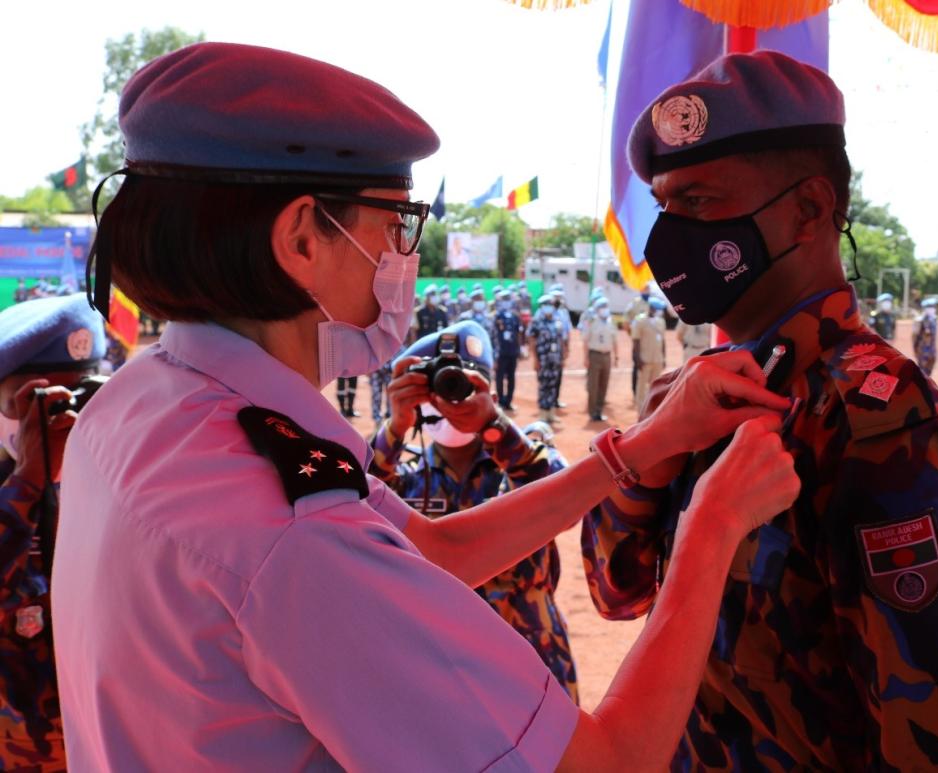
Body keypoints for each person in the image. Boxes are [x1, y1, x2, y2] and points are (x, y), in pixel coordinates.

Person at [52, 42, 799, 771]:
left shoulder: (137, 403)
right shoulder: (294, 536)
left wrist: (638, 449)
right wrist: (711, 525)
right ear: (303, 239)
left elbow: (437, 551)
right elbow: (608, 763)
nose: (403, 255)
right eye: (397, 224)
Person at [582, 50, 938, 770]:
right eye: (664, 206)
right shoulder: (700, 394)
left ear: (808, 209)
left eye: (698, 203)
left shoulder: (877, 426)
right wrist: (648, 457)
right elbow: (615, 590)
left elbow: (937, 744)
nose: (669, 235)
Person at [369, 321, 578, 702]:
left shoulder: (526, 456)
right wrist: (395, 429)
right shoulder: (405, 476)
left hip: (530, 661)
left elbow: (565, 499)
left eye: (462, 386)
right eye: (436, 390)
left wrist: (495, 427)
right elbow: (351, 504)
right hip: (437, 669)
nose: (449, 400)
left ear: (490, 394)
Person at [0, 293, 108, 772]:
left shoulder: (121, 483)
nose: (62, 420)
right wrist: (27, 481)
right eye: (40, 402)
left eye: (76, 398)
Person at [526, 293, 565, 426]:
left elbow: (560, 340)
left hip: (555, 359)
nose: (549, 307)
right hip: (543, 360)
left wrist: (562, 357)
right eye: (546, 304)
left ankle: (551, 413)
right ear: (542, 307)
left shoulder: (557, 321)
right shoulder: (536, 322)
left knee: (553, 386)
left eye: (551, 304)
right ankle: (543, 413)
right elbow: (532, 340)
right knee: (543, 386)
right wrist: (535, 359)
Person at [581, 296, 617, 422]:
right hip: (594, 355)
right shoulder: (591, 322)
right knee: (593, 385)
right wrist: (586, 358)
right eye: (602, 307)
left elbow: (615, 340)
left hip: (607, 356)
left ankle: (599, 411)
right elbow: (585, 341)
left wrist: (616, 356)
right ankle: (592, 412)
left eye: (606, 306)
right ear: (597, 309)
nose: (605, 309)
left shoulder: (611, 322)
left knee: (604, 384)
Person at [631, 296, 667, 416]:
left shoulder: (661, 321)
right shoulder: (640, 320)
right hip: (644, 359)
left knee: (655, 386)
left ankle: (652, 413)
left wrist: (664, 357)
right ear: (651, 308)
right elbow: (636, 341)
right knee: (641, 387)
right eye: (657, 309)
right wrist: (637, 359)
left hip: (657, 359)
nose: (659, 311)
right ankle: (641, 413)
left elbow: (663, 341)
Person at [491, 288, 522, 414]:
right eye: (504, 299)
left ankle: (509, 401)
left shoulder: (515, 317)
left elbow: (518, 333)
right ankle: (500, 401)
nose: (506, 302)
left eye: (508, 299)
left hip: (512, 352)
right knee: (499, 377)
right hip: (500, 353)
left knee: (511, 377)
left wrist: (520, 349)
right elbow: (492, 336)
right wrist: (494, 354)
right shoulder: (496, 316)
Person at [623, 288, 651, 398]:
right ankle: (635, 391)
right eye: (645, 288)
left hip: (651, 342)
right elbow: (626, 321)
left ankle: (648, 393)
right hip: (638, 341)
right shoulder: (635, 303)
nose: (647, 290)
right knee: (637, 366)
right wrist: (633, 335)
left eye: (648, 288)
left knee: (650, 366)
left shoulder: (653, 302)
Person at [913, 297, 938, 375]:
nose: (932, 308)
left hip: (932, 350)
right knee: (922, 373)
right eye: (930, 306)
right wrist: (915, 349)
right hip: (923, 351)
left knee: (928, 373)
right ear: (925, 308)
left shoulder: (934, 319)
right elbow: (914, 336)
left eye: (933, 306)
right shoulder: (919, 320)